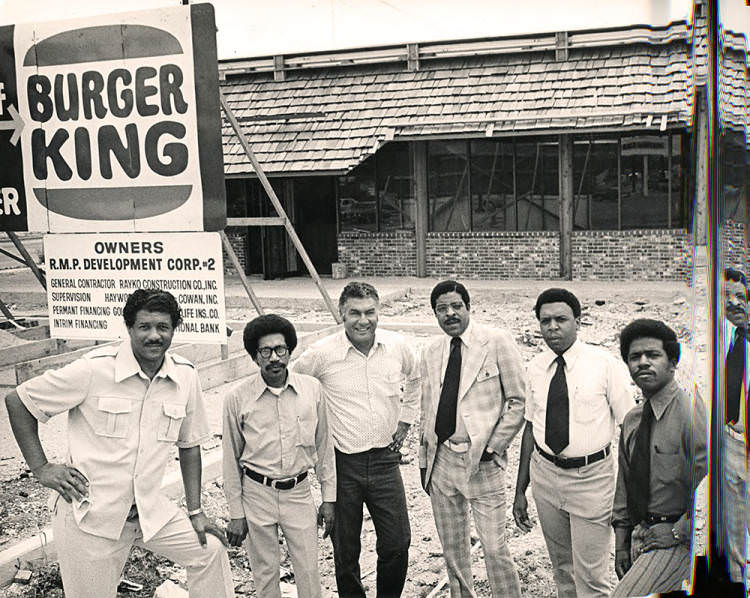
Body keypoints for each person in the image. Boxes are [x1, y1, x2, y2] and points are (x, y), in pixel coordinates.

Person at [4, 288, 234, 598]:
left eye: (163, 327)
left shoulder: (185, 376)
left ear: (174, 329)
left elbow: (189, 445)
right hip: (92, 517)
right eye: (144, 327)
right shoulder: (94, 369)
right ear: (129, 328)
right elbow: (19, 401)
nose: (154, 336)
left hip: (150, 513)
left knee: (210, 550)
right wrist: (42, 468)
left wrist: (196, 513)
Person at [293, 281, 419, 598]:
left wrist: (405, 420)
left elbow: (418, 378)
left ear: (379, 312)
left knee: (397, 541)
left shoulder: (397, 347)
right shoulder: (322, 354)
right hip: (342, 464)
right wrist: (312, 434)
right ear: (341, 314)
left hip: (384, 462)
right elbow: (293, 386)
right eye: (354, 313)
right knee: (345, 548)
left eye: (370, 312)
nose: (363, 320)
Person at [513, 288, 634, 598]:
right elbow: (531, 427)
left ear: (578, 322)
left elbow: (631, 429)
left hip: (591, 479)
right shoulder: (535, 368)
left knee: (592, 577)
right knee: (562, 570)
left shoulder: (604, 365)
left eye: (561, 319)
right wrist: (520, 490)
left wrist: (631, 495)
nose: (552, 327)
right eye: (545, 321)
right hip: (545, 477)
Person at [419, 279, 525, 598]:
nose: (450, 314)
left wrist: (493, 448)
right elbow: (428, 406)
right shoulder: (431, 350)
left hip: (482, 462)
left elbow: (518, 401)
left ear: (468, 307)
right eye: (442, 309)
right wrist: (426, 461)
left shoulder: (496, 342)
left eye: (456, 306)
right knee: (453, 550)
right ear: (435, 314)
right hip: (442, 462)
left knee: (494, 547)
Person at [222, 314, 335, 598]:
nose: (274, 358)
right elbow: (230, 460)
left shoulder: (312, 390)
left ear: (290, 351)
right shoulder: (237, 398)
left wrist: (329, 499)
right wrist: (237, 513)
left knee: (308, 570)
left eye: (280, 350)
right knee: (265, 571)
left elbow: (325, 448)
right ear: (254, 356)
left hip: (298, 492)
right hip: (256, 493)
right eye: (265, 351)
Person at [611, 318, 707, 596]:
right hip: (643, 537)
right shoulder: (632, 420)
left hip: (682, 539)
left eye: (652, 355)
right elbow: (624, 487)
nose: (642, 362)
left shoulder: (692, 412)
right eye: (634, 357)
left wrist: (678, 532)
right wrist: (621, 544)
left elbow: (715, 491)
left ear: (672, 362)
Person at [719, 267, 749, 589]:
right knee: (735, 516)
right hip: (732, 439)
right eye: (728, 298)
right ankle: (739, 579)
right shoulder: (720, 343)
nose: (736, 304)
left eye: (741, 297)